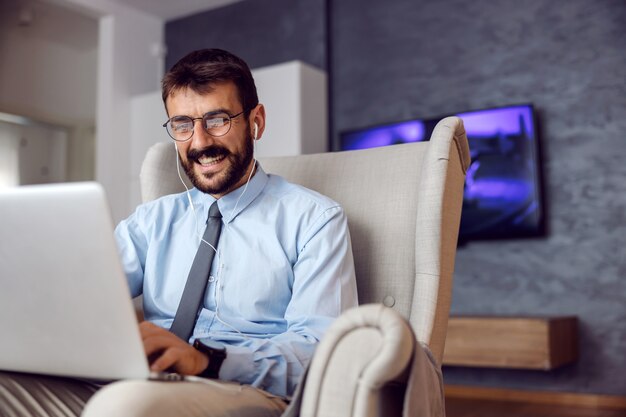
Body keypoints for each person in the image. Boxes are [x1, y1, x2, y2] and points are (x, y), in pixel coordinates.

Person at [0, 48, 358, 417]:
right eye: (183, 125)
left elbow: (323, 351)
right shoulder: (151, 221)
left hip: (244, 389)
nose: (200, 142)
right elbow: (78, 294)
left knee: (125, 406)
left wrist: (206, 359)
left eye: (217, 119)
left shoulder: (316, 220)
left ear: (256, 121)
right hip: (142, 381)